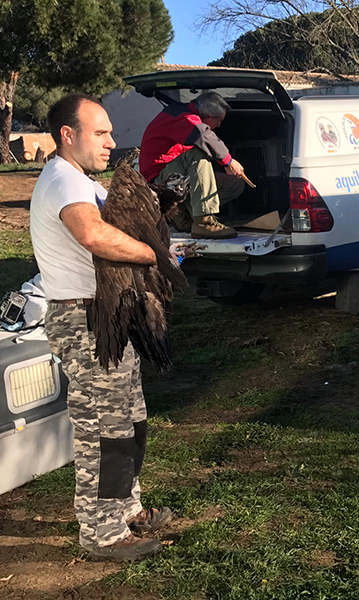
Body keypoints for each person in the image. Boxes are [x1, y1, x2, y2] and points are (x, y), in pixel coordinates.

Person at [30, 94, 172, 561]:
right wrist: (154, 256)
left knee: (130, 420)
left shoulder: (82, 180)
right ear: (68, 135)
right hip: (83, 320)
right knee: (103, 431)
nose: (112, 141)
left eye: (111, 131)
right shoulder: (63, 181)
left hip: (109, 317)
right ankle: (102, 534)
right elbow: (92, 234)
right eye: (101, 132)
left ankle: (126, 509)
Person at [139, 91, 246, 240]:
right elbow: (203, 135)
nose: (219, 125)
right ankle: (203, 222)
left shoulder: (185, 115)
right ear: (208, 116)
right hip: (159, 179)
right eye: (219, 120)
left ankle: (184, 216)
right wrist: (228, 161)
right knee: (198, 154)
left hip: (177, 177)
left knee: (235, 184)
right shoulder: (183, 117)